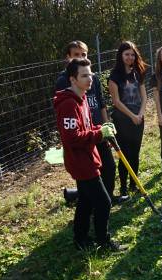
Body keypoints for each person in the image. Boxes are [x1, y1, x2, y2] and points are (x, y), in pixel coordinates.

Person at [53, 58, 125, 251]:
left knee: (85, 200)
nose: (89, 78)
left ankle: (80, 238)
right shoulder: (68, 104)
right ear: (73, 79)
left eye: (90, 74)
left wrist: (100, 127)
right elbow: (71, 138)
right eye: (84, 75)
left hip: (88, 157)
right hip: (81, 161)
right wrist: (99, 134)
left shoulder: (82, 97)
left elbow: (84, 127)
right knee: (103, 202)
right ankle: (104, 241)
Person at [54, 41, 119, 204]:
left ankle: (106, 198)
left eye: (83, 54)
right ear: (68, 57)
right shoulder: (64, 81)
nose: (80, 57)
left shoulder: (92, 78)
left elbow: (101, 102)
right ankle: (96, 202)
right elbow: (67, 117)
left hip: (97, 129)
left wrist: (106, 125)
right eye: (76, 55)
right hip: (83, 137)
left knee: (109, 167)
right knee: (86, 173)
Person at [108, 41, 147, 201]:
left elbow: (144, 96)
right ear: (121, 55)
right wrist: (132, 116)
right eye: (126, 54)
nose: (130, 57)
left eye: (132, 54)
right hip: (122, 121)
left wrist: (140, 114)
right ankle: (123, 187)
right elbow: (116, 101)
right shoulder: (114, 76)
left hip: (139, 118)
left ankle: (133, 184)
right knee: (124, 154)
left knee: (135, 153)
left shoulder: (138, 72)